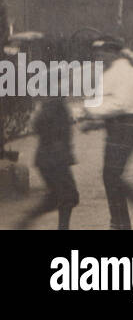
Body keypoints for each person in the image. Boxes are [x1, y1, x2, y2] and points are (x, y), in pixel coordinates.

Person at [83, 37, 133, 230]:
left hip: (125, 129)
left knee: (112, 176)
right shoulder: (110, 72)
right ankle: (120, 222)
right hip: (116, 128)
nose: (99, 58)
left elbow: (121, 104)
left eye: (102, 54)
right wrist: (89, 118)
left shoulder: (126, 71)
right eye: (97, 54)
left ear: (114, 52)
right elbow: (106, 103)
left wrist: (92, 112)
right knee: (110, 177)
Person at [15, 42, 79, 230]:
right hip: (54, 158)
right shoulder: (54, 103)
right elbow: (42, 125)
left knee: (57, 197)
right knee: (69, 196)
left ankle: (26, 221)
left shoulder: (54, 102)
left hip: (50, 158)